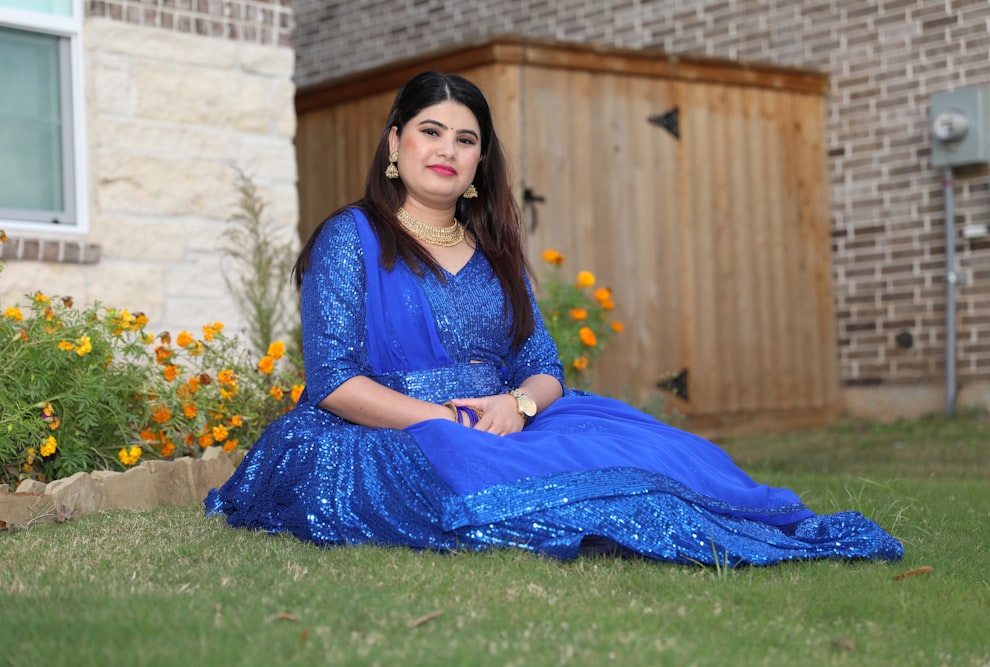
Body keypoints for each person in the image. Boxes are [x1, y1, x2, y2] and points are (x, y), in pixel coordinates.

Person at [205, 71, 903, 566]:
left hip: (500, 419)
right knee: (495, 478)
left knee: (655, 454)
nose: (447, 149)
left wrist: (514, 405)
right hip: (385, 427)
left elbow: (544, 367)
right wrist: (446, 420)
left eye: (466, 139)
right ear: (394, 144)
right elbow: (331, 380)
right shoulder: (350, 238)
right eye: (430, 131)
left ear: (481, 161)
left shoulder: (498, 253)